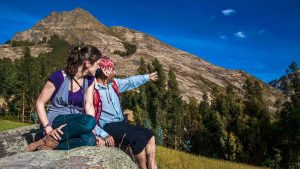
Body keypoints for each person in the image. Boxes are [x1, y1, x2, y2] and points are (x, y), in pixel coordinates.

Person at [24, 45, 102, 151]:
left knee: (90, 140)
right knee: (90, 121)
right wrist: (48, 128)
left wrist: (92, 131)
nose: (99, 67)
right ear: (87, 63)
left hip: (76, 122)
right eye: (97, 64)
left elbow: (89, 105)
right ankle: (49, 136)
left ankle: (48, 144)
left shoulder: (90, 80)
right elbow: (40, 102)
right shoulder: (59, 77)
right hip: (56, 119)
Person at [93, 56, 158, 169]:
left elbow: (129, 81)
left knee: (149, 134)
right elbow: (90, 116)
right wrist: (101, 134)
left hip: (121, 123)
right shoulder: (93, 90)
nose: (115, 72)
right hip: (107, 126)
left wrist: (147, 77)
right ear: (105, 72)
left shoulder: (114, 84)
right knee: (139, 139)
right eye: (113, 69)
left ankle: (151, 166)